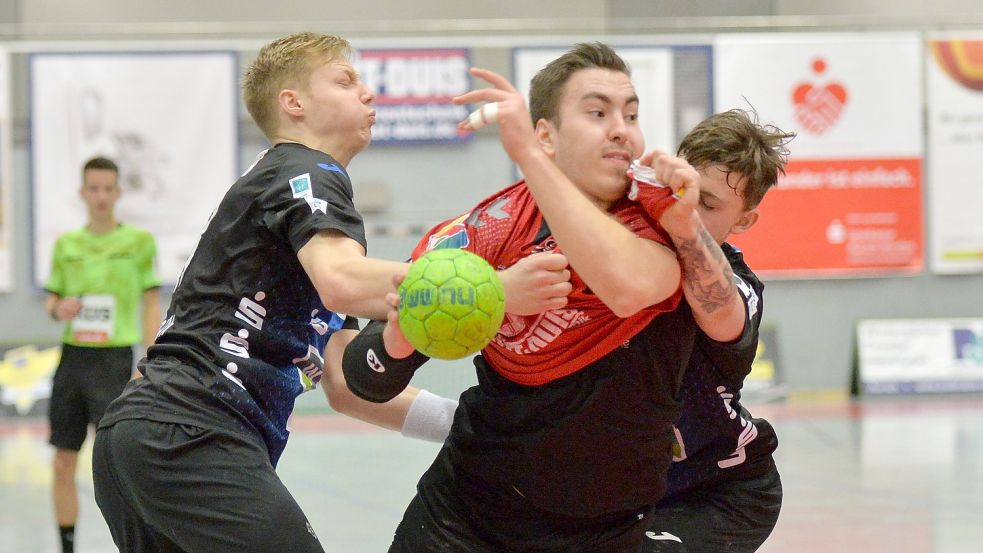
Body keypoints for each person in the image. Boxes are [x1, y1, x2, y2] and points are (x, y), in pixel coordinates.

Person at [90, 31, 570, 553]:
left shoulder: (295, 214)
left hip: (145, 438)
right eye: (345, 81)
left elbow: (346, 386)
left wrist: (474, 426)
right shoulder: (306, 168)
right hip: (191, 431)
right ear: (292, 103)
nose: (368, 93)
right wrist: (493, 289)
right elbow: (342, 283)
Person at [342, 43, 722, 552]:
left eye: (631, 114)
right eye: (597, 112)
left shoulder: (662, 218)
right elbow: (366, 381)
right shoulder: (487, 230)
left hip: (603, 529)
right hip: (465, 516)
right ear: (546, 134)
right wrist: (445, 311)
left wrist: (525, 157)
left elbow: (627, 288)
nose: (620, 129)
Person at [638, 110, 794, 553]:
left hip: (719, 492)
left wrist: (680, 216)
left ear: (743, 222)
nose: (682, 206)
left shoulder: (737, 286)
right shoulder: (626, 249)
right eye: (677, 191)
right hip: (628, 489)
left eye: (705, 204)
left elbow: (718, 311)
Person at [44, 156, 161, 553]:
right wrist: (57, 308)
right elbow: (53, 300)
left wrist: (148, 360)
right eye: (93, 188)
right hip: (74, 360)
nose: (100, 196)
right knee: (63, 460)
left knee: (119, 464)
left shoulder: (138, 244)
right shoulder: (66, 245)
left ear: (117, 193)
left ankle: (136, 544)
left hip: (114, 362)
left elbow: (150, 303)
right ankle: (67, 546)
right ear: (83, 192)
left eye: (108, 189)